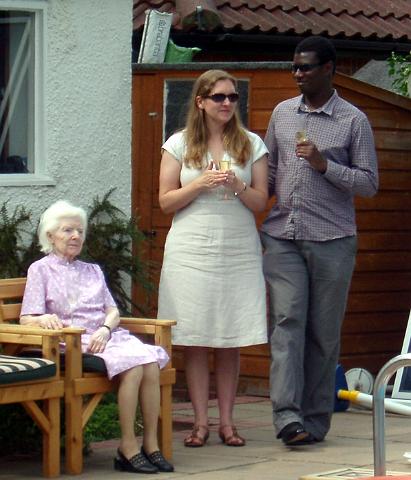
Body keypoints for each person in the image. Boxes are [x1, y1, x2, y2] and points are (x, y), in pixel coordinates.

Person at [261, 36, 378, 446]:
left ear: (329, 69)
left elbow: (368, 183)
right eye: (294, 67)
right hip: (282, 236)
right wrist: (242, 194)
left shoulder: (353, 120)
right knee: (287, 323)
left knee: (323, 335)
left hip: (333, 239)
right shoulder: (281, 112)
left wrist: (324, 164)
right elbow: (269, 171)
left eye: (306, 67)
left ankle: (314, 422)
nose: (297, 74)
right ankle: (287, 417)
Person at [20, 200, 174, 474]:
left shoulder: (92, 270)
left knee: (150, 363)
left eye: (80, 231)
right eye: (68, 230)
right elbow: (26, 318)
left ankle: (151, 444)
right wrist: (43, 319)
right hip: (73, 343)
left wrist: (105, 329)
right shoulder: (40, 270)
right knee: (135, 367)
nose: (75, 236)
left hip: (106, 337)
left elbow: (112, 311)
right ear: (50, 236)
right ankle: (128, 447)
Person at [157, 69, 268, 447]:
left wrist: (238, 185)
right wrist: (200, 183)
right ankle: (200, 423)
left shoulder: (251, 143)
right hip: (191, 249)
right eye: (219, 97)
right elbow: (165, 201)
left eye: (232, 97)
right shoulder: (179, 143)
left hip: (236, 248)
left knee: (229, 337)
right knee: (195, 337)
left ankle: (228, 423)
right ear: (201, 101)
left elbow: (260, 201)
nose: (227, 103)